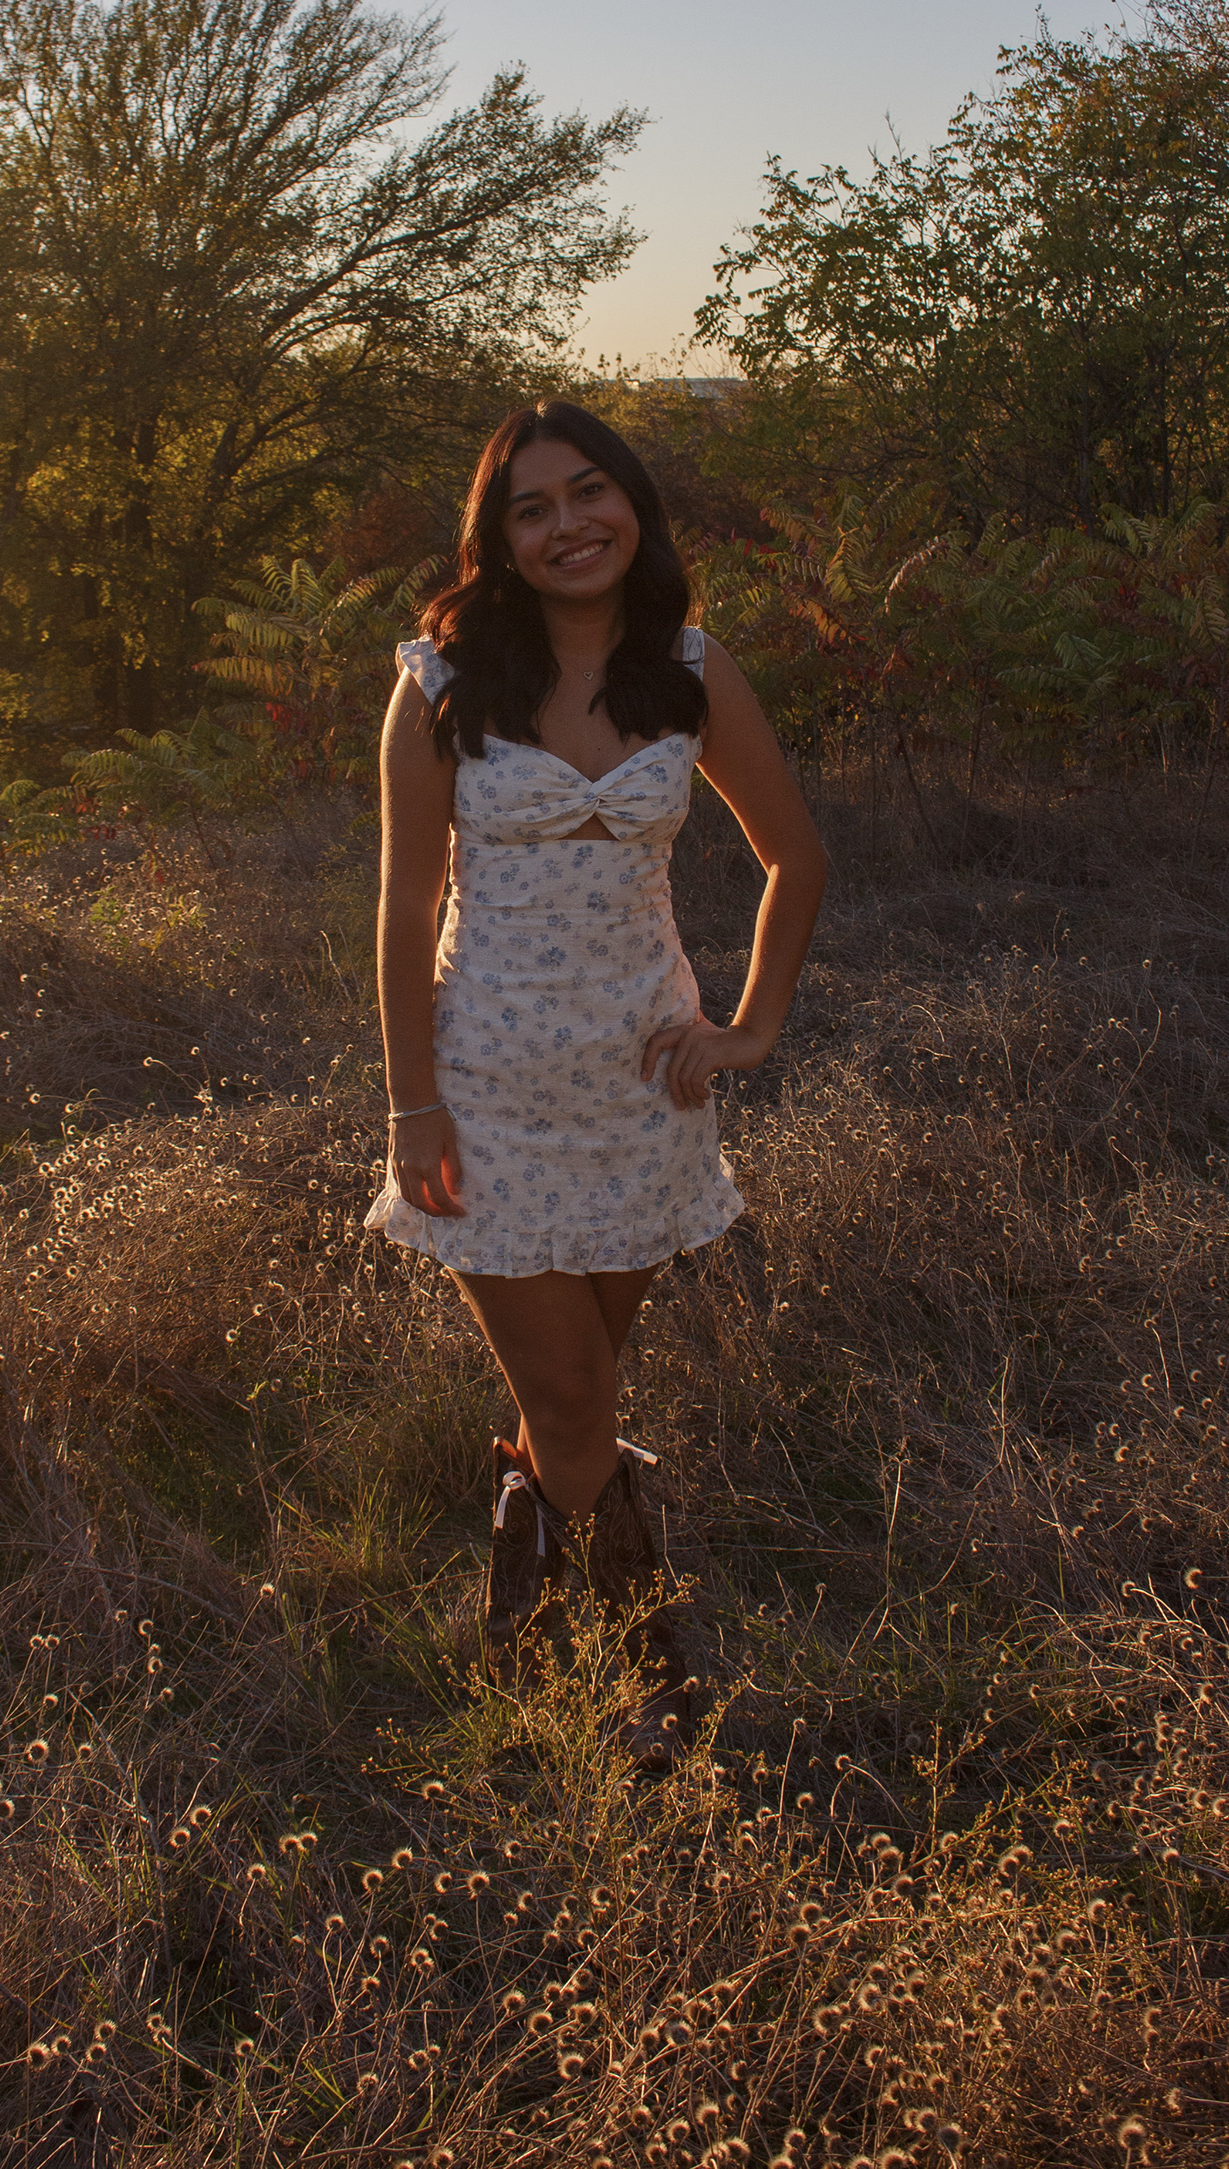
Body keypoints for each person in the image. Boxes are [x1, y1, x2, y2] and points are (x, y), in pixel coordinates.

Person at [365, 398, 827, 1768]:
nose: (569, 524)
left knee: (578, 1391)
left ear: (633, 506)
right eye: (532, 507)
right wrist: (412, 1105)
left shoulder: (687, 669)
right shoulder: (442, 682)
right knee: (576, 1403)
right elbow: (400, 910)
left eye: (590, 494)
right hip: (485, 1096)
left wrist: (746, 1029)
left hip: (645, 1091)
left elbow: (797, 857)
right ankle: (651, 1673)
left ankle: (522, 1570)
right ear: (498, 540)